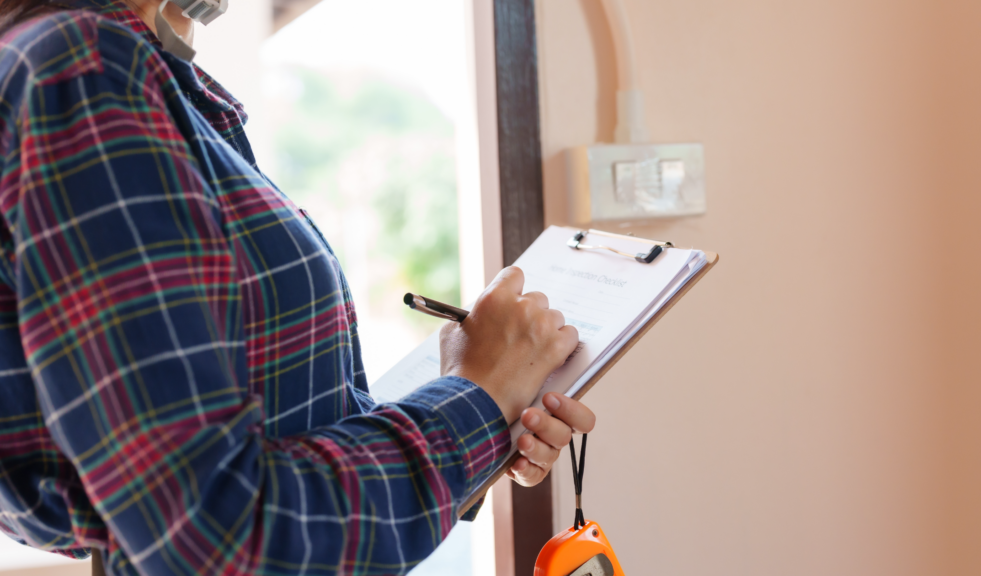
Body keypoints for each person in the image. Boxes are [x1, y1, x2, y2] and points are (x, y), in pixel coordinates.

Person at [0, 0, 595, 574]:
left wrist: (480, 418)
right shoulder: (83, 69)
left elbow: (278, 431)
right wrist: (475, 399)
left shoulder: (130, 72)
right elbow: (219, 540)